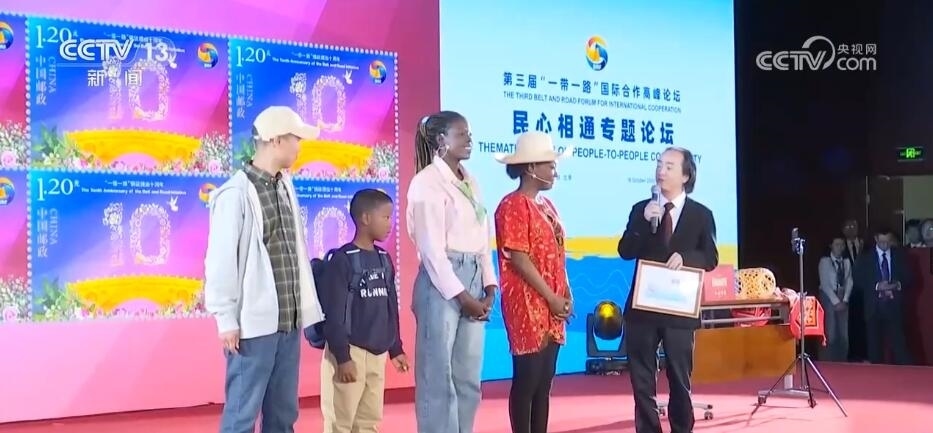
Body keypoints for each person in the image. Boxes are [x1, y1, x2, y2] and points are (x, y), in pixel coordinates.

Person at [204, 106, 325, 433]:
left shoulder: (285, 185)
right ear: (276, 140)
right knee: (242, 414)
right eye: (296, 139)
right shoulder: (234, 194)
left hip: (288, 321)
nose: (299, 147)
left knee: (283, 414)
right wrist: (226, 319)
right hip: (253, 327)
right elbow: (220, 261)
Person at [406, 111, 498, 433]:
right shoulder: (426, 183)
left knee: (468, 377)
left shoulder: (471, 181)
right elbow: (432, 251)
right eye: (461, 134)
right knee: (437, 377)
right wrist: (462, 296)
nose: (469, 139)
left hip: (474, 277)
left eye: (469, 133)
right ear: (441, 140)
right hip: (442, 282)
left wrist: (489, 286)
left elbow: (483, 240)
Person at [617, 147, 718, 433]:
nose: (661, 171)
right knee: (642, 379)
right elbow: (625, 251)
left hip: (679, 309)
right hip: (643, 308)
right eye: (659, 164)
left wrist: (686, 258)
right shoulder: (642, 209)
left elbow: (710, 257)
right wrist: (642, 223)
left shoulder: (701, 215)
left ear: (686, 175)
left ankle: (682, 428)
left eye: (670, 166)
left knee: (679, 379)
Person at [493, 131, 572, 433]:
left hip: (552, 301)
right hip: (527, 301)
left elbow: (558, 254)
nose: (554, 171)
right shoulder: (512, 205)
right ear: (530, 168)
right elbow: (518, 257)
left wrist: (565, 293)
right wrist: (550, 297)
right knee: (527, 379)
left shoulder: (548, 205)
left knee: (544, 382)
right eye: (550, 165)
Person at [317, 188, 410, 433]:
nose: (390, 224)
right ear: (365, 218)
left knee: (369, 421)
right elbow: (334, 315)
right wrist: (343, 357)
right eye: (385, 217)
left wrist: (395, 348)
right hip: (350, 353)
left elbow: (390, 306)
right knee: (340, 422)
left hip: (378, 354)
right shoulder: (343, 259)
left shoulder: (384, 259)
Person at [852, 228, 912, 365]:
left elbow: (909, 277)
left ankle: (905, 374)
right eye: (882, 242)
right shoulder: (865, 257)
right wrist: (878, 286)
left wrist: (896, 285)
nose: (885, 245)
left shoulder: (899, 256)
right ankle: (876, 375)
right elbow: (858, 278)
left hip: (894, 307)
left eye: (888, 242)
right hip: (873, 308)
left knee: (899, 346)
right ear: (876, 239)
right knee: (874, 348)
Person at [817, 237, 853, 362]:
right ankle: (827, 360)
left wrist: (845, 299)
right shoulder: (825, 261)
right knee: (830, 331)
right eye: (837, 244)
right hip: (829, 296)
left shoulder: (846, 262)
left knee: (843, 333)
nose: (840, 247)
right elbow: (825, 284)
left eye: (842, 244)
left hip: (843, 296)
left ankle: (842, 360)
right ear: (831, 246)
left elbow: (849, 281)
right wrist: (836, 302)